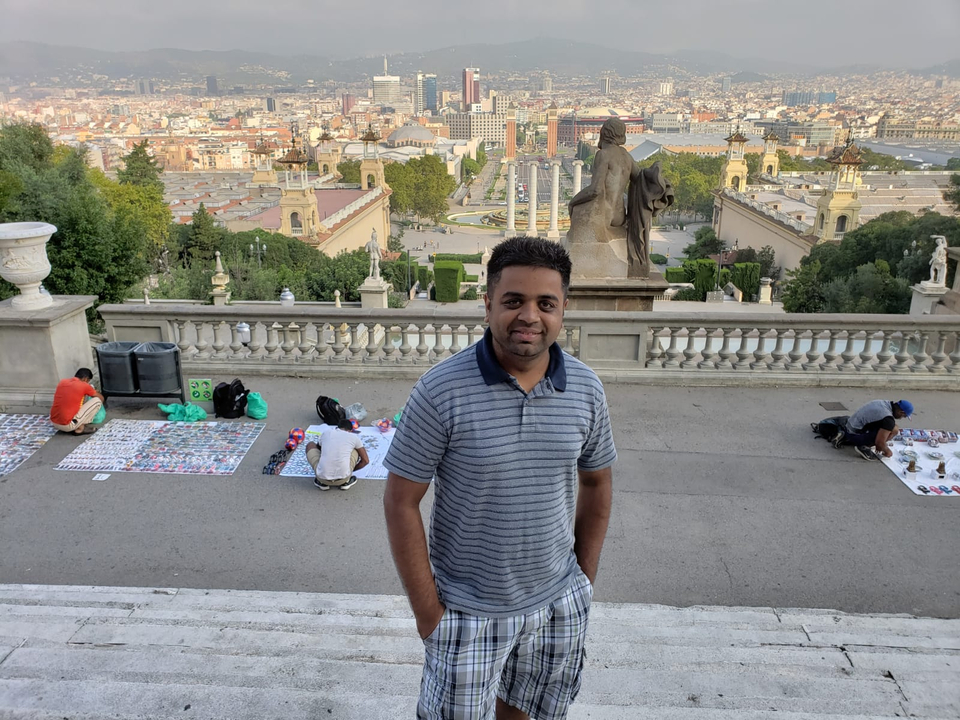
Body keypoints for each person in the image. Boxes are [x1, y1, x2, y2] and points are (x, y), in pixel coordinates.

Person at [383, 236, 616, 720]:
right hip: (466, 611)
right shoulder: (440, 391)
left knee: (530, 713)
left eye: (545, 303)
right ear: (487, 303)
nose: (530, 315)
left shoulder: (587, 390)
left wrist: (583, 582)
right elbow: (400, 501)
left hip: (557, 603)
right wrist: (431, 616)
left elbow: (597, 484)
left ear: (564, 309)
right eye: (513, 301)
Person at [828, 399, 914, 461]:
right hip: (855, 433)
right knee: (887, 432)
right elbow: (879, 442)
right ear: (901, 412)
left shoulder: (884, 403)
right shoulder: (888, 419)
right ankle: (862, 447)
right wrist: (887, 451)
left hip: (849, 425)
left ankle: (844, 436)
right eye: (904, 416)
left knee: (894, 429)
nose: (902, 418)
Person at [304, 418, 369, 491]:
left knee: (310, 445)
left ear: (337, 427)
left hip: (322, 478)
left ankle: (322, 483)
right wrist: (350, 470)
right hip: (344, 478)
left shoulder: (327, 433)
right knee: (356, 449)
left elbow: (319, 447)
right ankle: (347, 481)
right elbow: (365, 461)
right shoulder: (354, 437)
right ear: (350, 431)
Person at [49, 368, 104, 435]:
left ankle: (76, 424)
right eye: (88, 381)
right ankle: (80, 428)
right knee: (97, 401)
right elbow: (101, 398)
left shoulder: (62, 382)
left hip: (54, 423)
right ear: (85, 379)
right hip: (67, 425)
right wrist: (93, 391)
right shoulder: (84, 385)